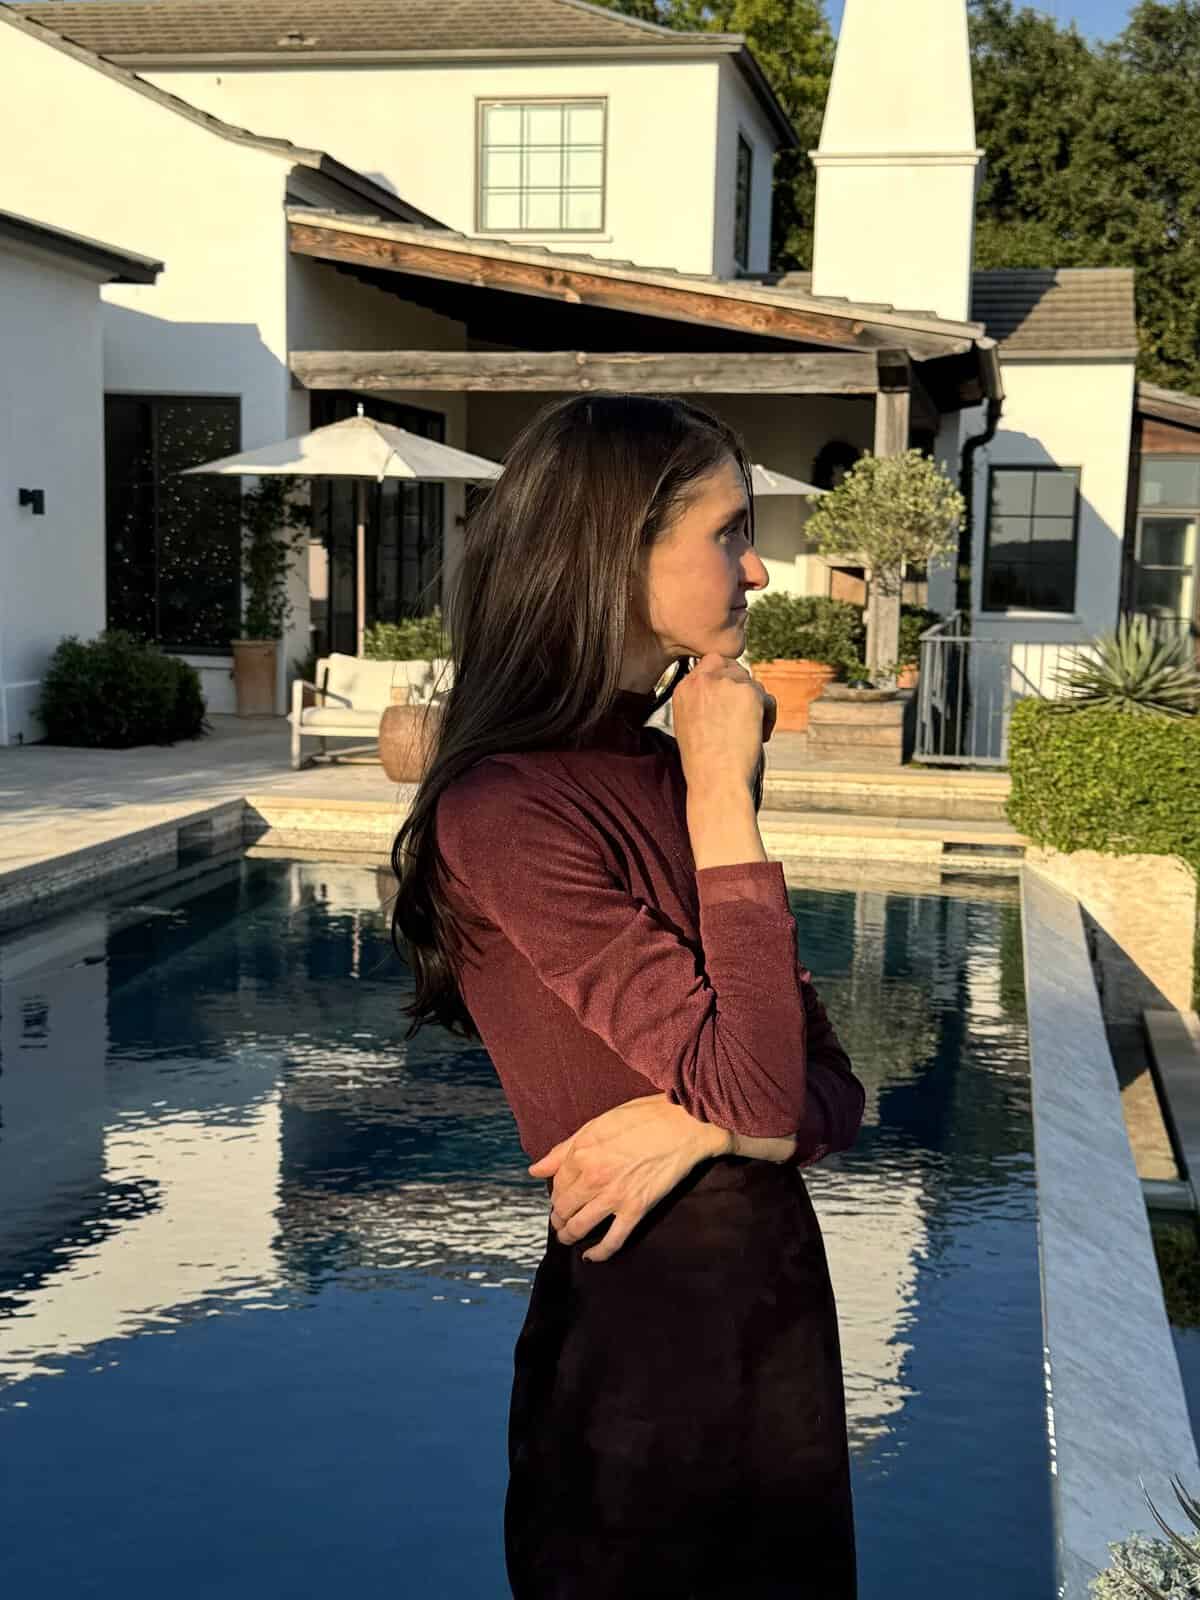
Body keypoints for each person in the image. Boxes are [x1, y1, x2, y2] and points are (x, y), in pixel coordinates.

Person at [391, 393, 867, 1599]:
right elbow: (765, 1086)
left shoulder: (662, 770)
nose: (756, 567)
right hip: (644, 1359)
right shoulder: (505, 808)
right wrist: (722, 794)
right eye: (728, 532)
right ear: (617, 550)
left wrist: (702, 1124)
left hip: (776, 1336)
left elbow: (831, 1086)